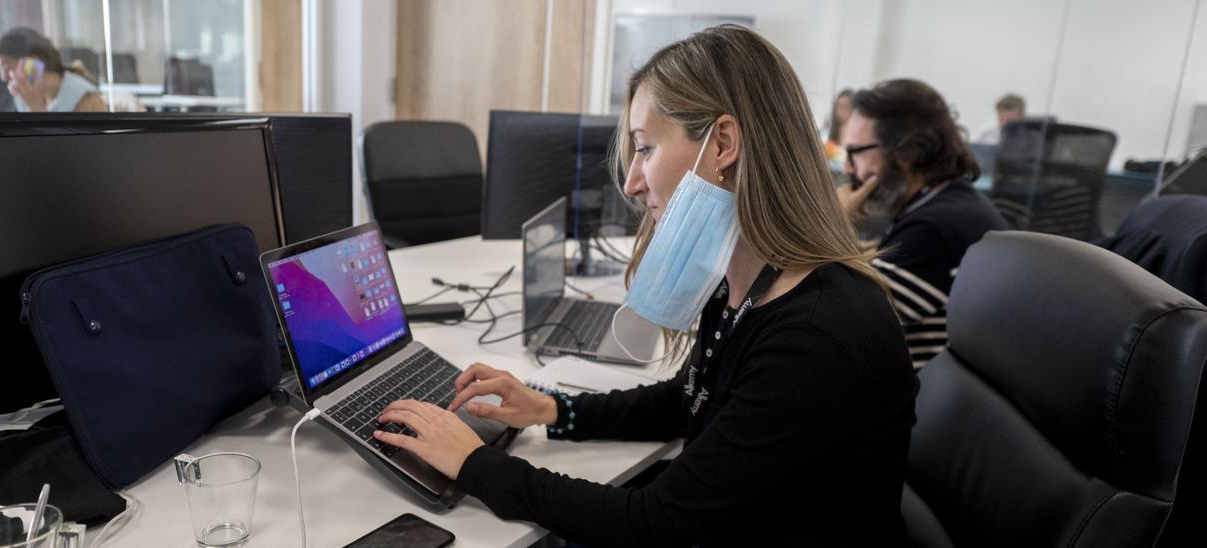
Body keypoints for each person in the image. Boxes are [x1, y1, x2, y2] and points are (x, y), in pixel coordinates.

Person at [371, 25, 918, 547]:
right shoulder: (753, 282)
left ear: (723, 143)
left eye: (645, 148)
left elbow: (657, 523)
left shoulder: (816, 333)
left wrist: (474, 464)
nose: (633, 182)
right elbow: (688, 399)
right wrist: (550, 409)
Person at [837, 79, 1008, 369]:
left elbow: (836, 324)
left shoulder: (935, 229)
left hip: (913, 403)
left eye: (856, 152)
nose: (848, 167)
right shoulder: (947, 204)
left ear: (907, 154)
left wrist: (831, 222)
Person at [0, 27, 107, 113]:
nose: (3, 77)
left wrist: (35, 107)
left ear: (33, 64)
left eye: (6, 68)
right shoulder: (22, 96)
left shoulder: (86, 99)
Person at [824, 88, 854, 161]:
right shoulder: (835, 127)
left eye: (844, 107)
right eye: (838, 106)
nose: (840, 110)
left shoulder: (856, 131)